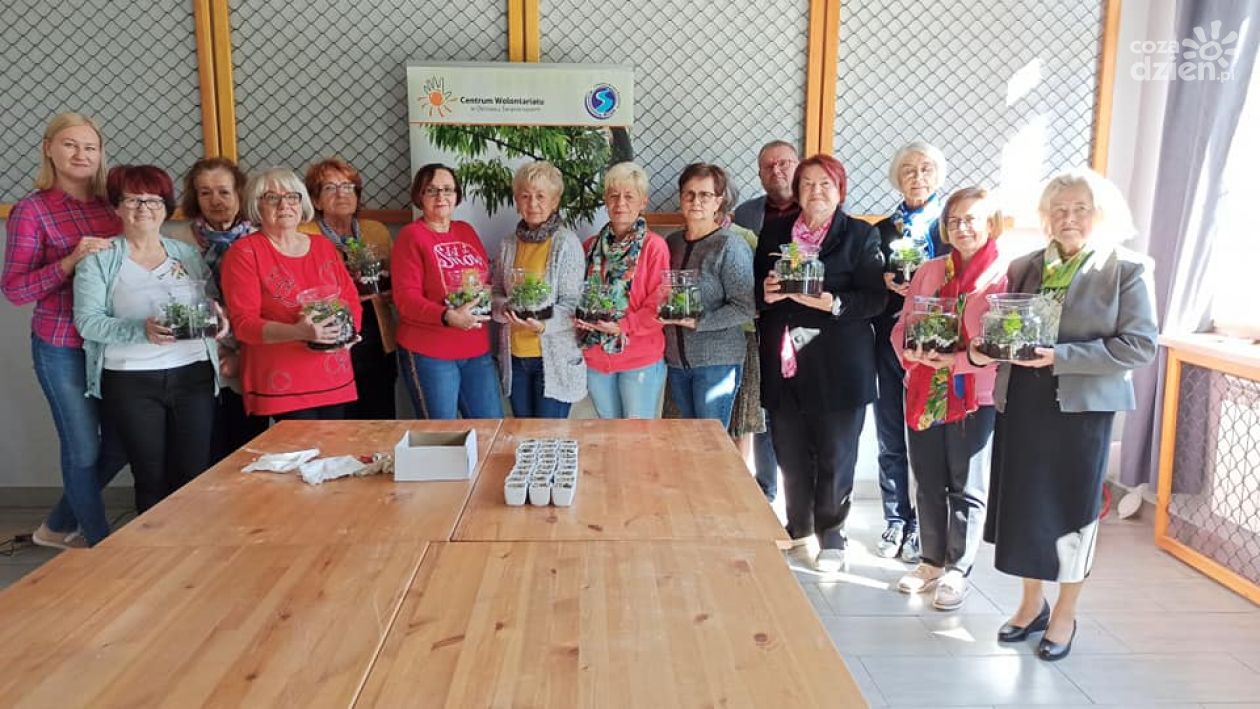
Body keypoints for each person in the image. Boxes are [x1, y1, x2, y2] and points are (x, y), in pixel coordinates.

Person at [974, 169, 1157, 661]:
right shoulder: (1025, 266)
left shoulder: (1126, 269)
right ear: (1045, 217)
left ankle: (1065, 613)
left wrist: (1062, 356)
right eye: (1058, 209)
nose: (1068, 218)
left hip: (1082, 409)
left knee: (1072, 513)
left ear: (1100, 214)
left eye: (1079, 209)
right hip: (1024, 402)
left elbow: (1139, 345)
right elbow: (1008, 327)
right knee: (1026, 507)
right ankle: (1030, 604)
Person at [755, 153, 887, 572]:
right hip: (786, 361)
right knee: (790, 452)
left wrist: (834, 303)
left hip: (839, 365)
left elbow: (876, 299)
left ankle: (832, 534)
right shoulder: (776, 231)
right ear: (797, 190)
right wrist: (767, 295)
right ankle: (799, 528)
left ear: (840, 191)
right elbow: (757, 291)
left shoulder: (860, 235)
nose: (816, 191)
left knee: (835, 453)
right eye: (807, 183)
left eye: (825, 184)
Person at [2, 112, 127, 548]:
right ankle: (98, 543)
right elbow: (15, 290)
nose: (81, 154)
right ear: (48, 149)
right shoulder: (31, 211)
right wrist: (69, 262)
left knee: (122, 442)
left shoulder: (114, 205)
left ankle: (57, 526)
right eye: (70, 145)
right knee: (83, 448)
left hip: (113, 343)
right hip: (62, 345)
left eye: (90, 147)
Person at [74, 165, 224, 513]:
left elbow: (209, 300)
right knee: (150, 476)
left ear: (166, 207)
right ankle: (152, 545)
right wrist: (141, 330)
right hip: (132, 380)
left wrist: (219, 319)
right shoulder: (100, 259)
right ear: (117, 206)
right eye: (133, 200)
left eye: (154, 200)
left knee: (194, 473)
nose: (144, 208)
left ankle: (191, 544)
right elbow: (88, 322)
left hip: (194, 374)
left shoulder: (186, 254)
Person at [890, 187, 1006, 611]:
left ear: (990, 223)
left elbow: (1002, 341)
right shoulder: (930, 270)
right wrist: (912, 352)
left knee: (966, 483)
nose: (962, 227)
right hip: (924, 388)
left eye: (971, 219)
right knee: (927, 479)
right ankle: (930, 562)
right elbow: (902, 326)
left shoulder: (1003, 275)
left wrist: (955, 361)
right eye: (954, 220)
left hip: (974, 393)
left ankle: (958, 569)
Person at [219, 168, 362, 420]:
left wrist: (348, 333)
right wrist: (298, 332)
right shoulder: (244, 253)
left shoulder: (323, 246)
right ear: (256, 206)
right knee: (300, 447)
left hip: (334, 376)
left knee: (337, 446)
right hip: (282, 383)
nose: (284, 205)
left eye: (292, 197)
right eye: (272, 198)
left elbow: (350, 300)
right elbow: (244, 325)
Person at [871, 141, 950, 562]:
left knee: (927, 434)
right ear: (897, 178)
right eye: (908, 170)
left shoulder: (950, 227)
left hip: (936, 346)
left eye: (925, 169)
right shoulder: (883, 229)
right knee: (889, 432)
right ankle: (895, 518)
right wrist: (884, 284)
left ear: (937, 176)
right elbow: (867, 288)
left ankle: (923, 522)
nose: (917, 177)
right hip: (890, 340)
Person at [392, 163, 503, 419]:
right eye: (431, 190)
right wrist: (446, 315)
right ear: (419, 196)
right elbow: (405, 299)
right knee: (441, 433)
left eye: (447, 189)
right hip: (431, 352)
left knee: (491, 428)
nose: (441, 196)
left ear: (457, 195)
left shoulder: (466, 231)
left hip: (476, 348)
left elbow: (482, 278)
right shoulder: (411, 236)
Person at [177, 157, 266, 459]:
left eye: (224, 192)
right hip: (200, 355)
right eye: (205, 192)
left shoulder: (261, 238)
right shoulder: (179, 242)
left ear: (240, 193)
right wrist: (219, 350)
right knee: (206, 448)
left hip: (253, 353)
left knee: (249, 447)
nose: (215, 201)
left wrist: (241, 353)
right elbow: (177, 304)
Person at [299, 157, 397, 420]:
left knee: (380, 417)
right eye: (330, 188)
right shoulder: (305, 235)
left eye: (348, 187)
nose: (341, 194)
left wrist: (389, 290)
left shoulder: (375, 230)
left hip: (377, 336)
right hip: (332, 337)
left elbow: (393, 277)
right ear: (316, 200)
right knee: (341, 419)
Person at [661, 163, 755, 427]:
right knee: (688, 440)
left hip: (716, 362)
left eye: (705, 195)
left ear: (718, 201)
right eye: (689, 194)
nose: (696, 201)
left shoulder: (729, 245)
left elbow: (745, 307)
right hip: (677, 362)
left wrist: (699, 322)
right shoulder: (672, 242)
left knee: (710, 441)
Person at [491, 161, 586, 418]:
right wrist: (505, 308)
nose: (532, 203)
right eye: (525, 196)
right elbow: (496, 291)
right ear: (516, 201)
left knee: (548, 435)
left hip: (554, 361)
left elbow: (573, 304)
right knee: (523, 433)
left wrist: (543, 325)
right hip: (515, 359)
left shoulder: (566, 243)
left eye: (541, 196)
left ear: (555, 201)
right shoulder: (508, 244)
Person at [733, 140, 801, 501]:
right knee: (765, 405)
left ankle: (799, 492)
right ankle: (766, 488)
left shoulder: (817, 209)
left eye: (784, 163)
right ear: (760, 174)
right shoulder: (746, 214)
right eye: (768, 166)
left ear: (798, 165)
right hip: (763, 324)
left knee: (801, 409)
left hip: (810, 326)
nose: (777, 170)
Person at [577, 162, 669, 419]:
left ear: (643, 202)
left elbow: (659, 303)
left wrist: (622, 326)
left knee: (637, 434)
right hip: (596, 357)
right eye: (614, 195)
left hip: (639, 357)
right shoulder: (590, 246)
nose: (620, 203)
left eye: (629, 196)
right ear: (606, 200)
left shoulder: (654, 247)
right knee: (609, 431)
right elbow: (580, 295)